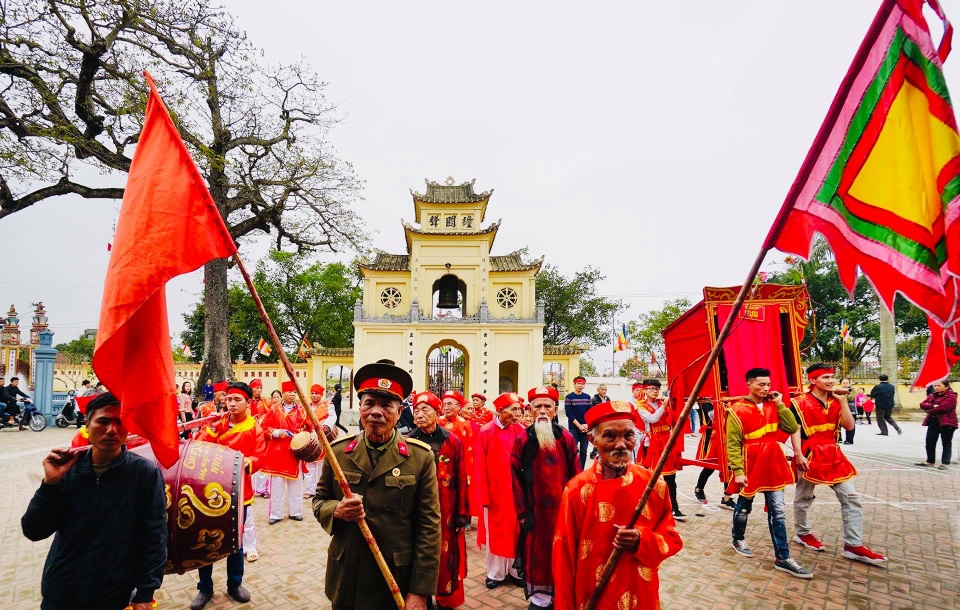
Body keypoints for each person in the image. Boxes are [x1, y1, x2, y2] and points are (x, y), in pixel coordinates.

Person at [21, 392, 166, 610]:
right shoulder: (68, 469)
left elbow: (154, 535)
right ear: (87, 424)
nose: (111, 430)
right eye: (103, 421)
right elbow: (34, 530)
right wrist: (50, 484)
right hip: (60, 589)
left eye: (120, 422)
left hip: (111, 593)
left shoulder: (144, 473)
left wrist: (146, 592)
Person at [314, 361, 441, 610]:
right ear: (360, 407)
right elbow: (319, 501)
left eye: (386, 405)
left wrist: (420, 591)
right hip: (347, 573)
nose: (376, 412)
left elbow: (429, 527)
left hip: (395, 578)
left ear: (399, 410)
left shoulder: (420, 457)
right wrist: (336, 511)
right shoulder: (338, 452)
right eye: (369, 403)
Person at [552, 401, 682, 610]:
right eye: (610, 436)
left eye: (628, 435)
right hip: (591, 592)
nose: (621, 444)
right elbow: (563, 554)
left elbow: (672, 539)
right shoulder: (577, 489)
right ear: (592, 439)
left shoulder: (654, 484)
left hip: (639, 589)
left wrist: (642, 539)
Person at [789, 364, 887, 565]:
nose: (831, 381)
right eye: (825, 377)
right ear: (813, 381)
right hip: (810, 452)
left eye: (832, 377)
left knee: (851, 497)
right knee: (804, 496)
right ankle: (802, 533)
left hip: (833, 452)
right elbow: (795, 430)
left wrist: (843, 401)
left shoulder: (837, 401)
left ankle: (853, 544)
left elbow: (849, 426)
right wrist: (798, 454)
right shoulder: (798, 403)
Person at [726, 368, 811, 579]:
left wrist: (781, 403)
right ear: (749, 384)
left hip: (773, 463)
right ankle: (738, 538)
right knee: (744, 506)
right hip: (751, 463)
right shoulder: (736, 410)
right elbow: (733, 443)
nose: (765, 388)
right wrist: (737, 470)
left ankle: (783, 557)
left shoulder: (775, 405)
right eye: (761, 384)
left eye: (767, 384)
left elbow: (792, 427)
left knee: (778, 511)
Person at [191, 381, 267, 609]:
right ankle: (204, 588)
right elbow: (199, 449)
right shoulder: (217, 422)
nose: (232, 403)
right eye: (229, 399)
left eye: (237, 400)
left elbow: (260, 457)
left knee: (235, 542)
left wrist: (244, 463)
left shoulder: (254, 427)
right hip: (209, 491)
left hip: (238, 492)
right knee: (205, 540)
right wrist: (212, 429)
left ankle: (235, 584)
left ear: (247, 402)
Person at [511, 386, 581, 609]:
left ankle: (560, 595)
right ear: (529, 410)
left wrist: (576, 509)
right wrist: (522, 512)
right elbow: (514, 477)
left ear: (555, 410)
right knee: (537, 554)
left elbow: (576, 476)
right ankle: (540, 600)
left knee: (562, 554)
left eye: (547, 406)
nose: (542, 411)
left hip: (562, 511)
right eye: (537, 406)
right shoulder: (522, 439)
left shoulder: (567, 438)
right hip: (534, 513)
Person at [408, 391, 469, 610]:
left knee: (446, 555)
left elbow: (462, 478)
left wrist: (463, 512)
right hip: (417, 510)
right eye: (416, 410)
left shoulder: (452, 441)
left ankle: (444, 598)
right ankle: (423, 597)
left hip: (447, 511)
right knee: (419, 553)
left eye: (426, 410)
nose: (420, 414)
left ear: (437, 412)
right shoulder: (409, 442)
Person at [475, 392, 526, 589]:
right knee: (495, 534)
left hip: (516, 493)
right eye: (513, 409)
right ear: (500, 410)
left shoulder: (521, 431)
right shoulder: (485, 432)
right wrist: (483, 495)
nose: (518, 413)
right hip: (494, 494)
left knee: (516, 532)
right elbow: (479, 465)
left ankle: (515, 571)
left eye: (519, 410)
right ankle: (494, 574)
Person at [261, 381, 314, 524]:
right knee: (277, 484)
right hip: (277, 452)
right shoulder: (274, 409)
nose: (292, 394)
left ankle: (295, 512)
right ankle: (275, 514)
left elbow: (310, 427)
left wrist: (306, 436)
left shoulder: (302, 411)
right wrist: (277, 432)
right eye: (290, 391)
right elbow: (264, 426)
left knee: (295, 484)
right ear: (283, 393)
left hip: (295, 453)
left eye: (294, 392)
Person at [636, 379, 686, 521]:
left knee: (671, 477)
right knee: (651, 478)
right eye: (651, 388)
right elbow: (653, 419)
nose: (655, 391)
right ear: (644, 390)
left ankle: (674, 508)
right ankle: (649, 507)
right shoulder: (641, 407)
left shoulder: (661, 402)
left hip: (667, 440)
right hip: (652, 444)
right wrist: (665, 404)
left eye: (657, 388)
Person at [693, 400, 737, 510]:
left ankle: (726, 498)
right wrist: (724, 404)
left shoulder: (728, 400)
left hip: (727, 435)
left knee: (729, 467)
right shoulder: (707, 401)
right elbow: (713, 416)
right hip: (713, 437)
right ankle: (699, 488)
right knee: (710, 467)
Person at [303, 384, 338, 498]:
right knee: (309, 465)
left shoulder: (327, 405)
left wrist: (324, 426)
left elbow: (333, 417)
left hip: (322, 438)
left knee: (321, 466)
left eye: (316, 393)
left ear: (321, 395)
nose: (313, 395)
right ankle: (309, 490)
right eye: (312, 393)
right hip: (309, 438)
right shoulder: (306, 406)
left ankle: (321, 490)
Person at [918, 380, 958, 470]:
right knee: (930, 442)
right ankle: (930, 460)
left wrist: (930, 409)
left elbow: (944, 407)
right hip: (933, 421)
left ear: (946, 386)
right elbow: (922, 404)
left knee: (946, 442)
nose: (936, 387)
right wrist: (933, 406)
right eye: (935, 386)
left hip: (947, 422)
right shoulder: (932, 395)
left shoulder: (951, 396)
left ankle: (945, 462)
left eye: (939, 385)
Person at [564, 375, 593, 469]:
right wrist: (579, 425)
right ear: (574, 384)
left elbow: (590, 412)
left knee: (584, 451)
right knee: (573, 450)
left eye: (582, 384)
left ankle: (581, 469)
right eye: (578, 383)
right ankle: (573, 469)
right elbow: (569, 413)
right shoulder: (569, 397)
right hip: (574, 428)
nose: (580, 385)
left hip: (585, 428)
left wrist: (587, 425)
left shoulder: (587, 397)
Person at [838, 378, 856, 445]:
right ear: (840, 384)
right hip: (839, 410)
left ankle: (849, 440)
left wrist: (841, 397)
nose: (845, 384)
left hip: (851, 411)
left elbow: (851, 398)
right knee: (837, 425)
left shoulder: (852, 390)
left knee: (850, 425)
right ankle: (838, 438)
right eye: (844, 383)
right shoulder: (837, 390)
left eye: (847, 382)